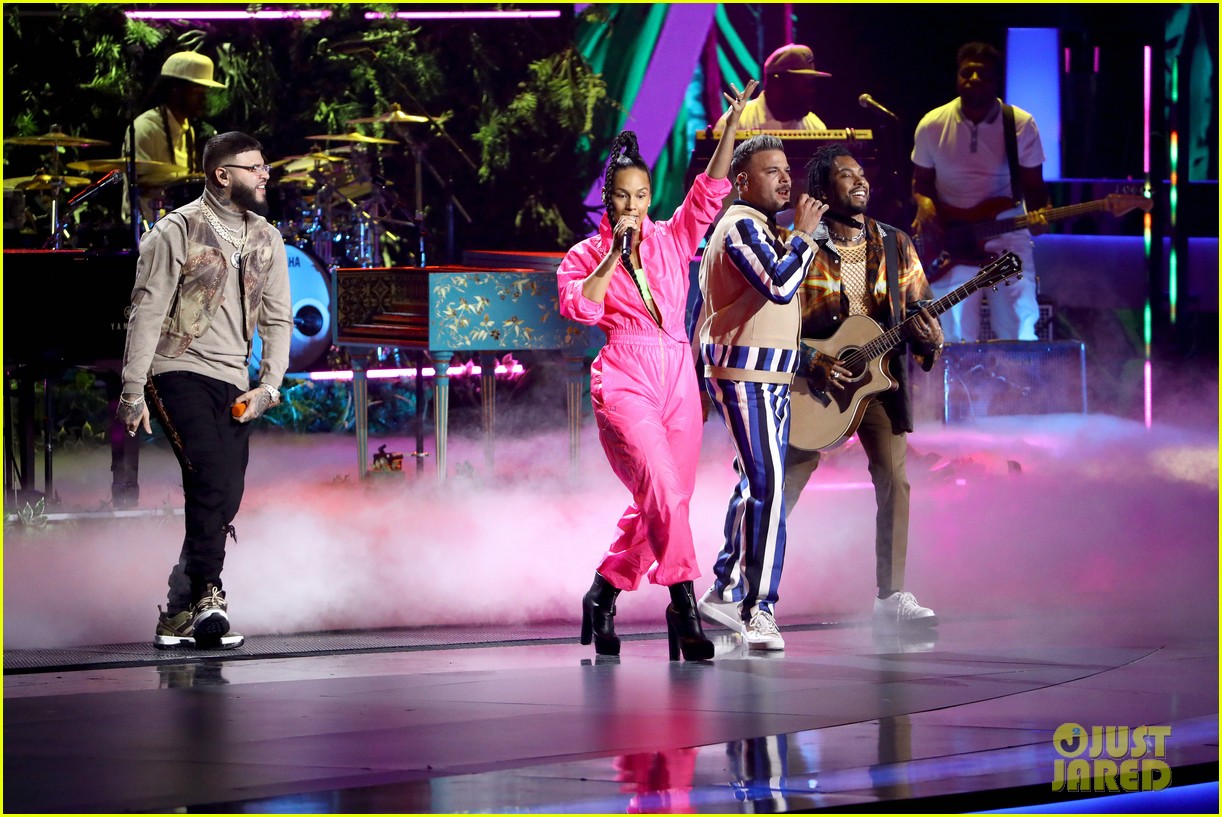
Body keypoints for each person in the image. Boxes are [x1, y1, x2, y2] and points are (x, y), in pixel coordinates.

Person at [557, 80, 759, 662]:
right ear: (607, 199)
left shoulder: (673, 239)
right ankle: (683, 609)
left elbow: (710, 191)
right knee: (665, 494)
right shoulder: (584, 256)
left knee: (669, 499)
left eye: (641, 195)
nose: (633, 206)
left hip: (678, 373)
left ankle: (602, 593)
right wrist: (615, 256)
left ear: (650, 196)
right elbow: (581, 308)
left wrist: (732, 125)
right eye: (622, 196)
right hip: (624, 373)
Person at [117, 131, 292, 649]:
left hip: (234, 379)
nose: (265, 176)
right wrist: (132, 391)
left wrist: (270, 387)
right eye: (255, 167)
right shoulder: (177, 230)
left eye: (265, 167)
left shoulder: (267, 238)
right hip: (176, 369)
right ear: (222, 174)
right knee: (212, 478)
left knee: (226, 496)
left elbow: (279, 320)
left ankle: (177, 609)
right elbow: (145, 312)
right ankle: (209, 596)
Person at [785, 144, 943, 627]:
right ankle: (742, 586)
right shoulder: (799, 243)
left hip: (879, 383)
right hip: (813, 385)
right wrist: (813, 361)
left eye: (861, 174)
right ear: (821, 191)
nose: (860, 181)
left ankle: (891, 596)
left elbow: (919, 308)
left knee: (895, 481)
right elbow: (773, 317)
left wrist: (930, 338)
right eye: (845, 175)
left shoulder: (895, 243)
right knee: (782, 484)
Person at [694, 134, 829, 651]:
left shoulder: (764, 228)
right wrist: (806, 236)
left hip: (768, 375)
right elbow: (778, 284)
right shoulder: (739, 226)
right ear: (743, 181)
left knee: (755, 483)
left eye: (787, 169)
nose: (786, 179)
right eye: (772, 171)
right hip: (745, 374)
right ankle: (759, 608)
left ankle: (726, 587)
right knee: (769, 486)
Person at [911, 41, 1049, 342]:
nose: (973, 79)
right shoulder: (932, 125)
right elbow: (920, 183)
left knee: (1017, 328)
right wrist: (924, 204)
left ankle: (1017, 386)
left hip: (1006, 232)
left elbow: (1035, 189)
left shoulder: (1021, 125)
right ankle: (960, 390)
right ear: (957, 77)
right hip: (951, 239)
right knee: (952, 335)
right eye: (967, 72)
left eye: (982, 73)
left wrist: (1041, 216)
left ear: (996, 81)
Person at [124, 51, 225, 226]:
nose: (203, 99)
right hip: (147, 228)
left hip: (178, 227)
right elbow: (140, 182)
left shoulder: (188, 129)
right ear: (175, 90)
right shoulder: (145, 128)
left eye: (204, 92)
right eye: (197, 92)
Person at [714, 43, 830, 133]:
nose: (810, 89)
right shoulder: (735, 123)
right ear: (776, 82)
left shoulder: (816, 127)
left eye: (811, 82)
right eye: (803, 81)